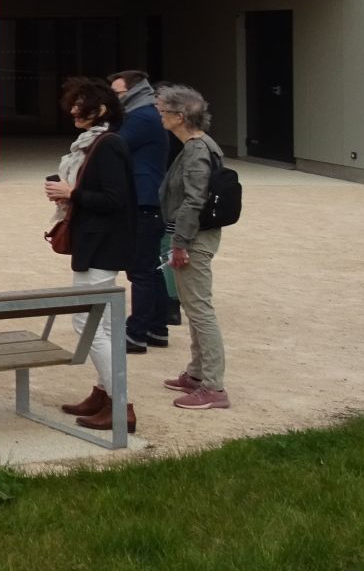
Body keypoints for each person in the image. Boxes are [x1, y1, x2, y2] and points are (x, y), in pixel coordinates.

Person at [43, 77, 139, 433]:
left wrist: (73, 193)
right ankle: (104, 394)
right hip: (99, 244)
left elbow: (115, 199)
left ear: (100, 110)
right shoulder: (96, 142)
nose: (72, 110)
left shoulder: (108, 144)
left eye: (79, 104)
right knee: (105, 325)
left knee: (88, 323)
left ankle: (120, 404)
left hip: (102, 246)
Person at [157, 83, 230, 411]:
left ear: (180, 116)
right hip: (194, 236)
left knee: (200, 310)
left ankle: (213, 387)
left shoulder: (197, 149)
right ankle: (198, 373)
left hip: (193, 238)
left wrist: (180, 243)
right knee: (194, 306)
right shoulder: (198, 145)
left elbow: (194, 199)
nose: (160, 116)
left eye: (164, 111)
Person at [110, 70, 172, 354]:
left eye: (117, 93)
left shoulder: (142, 116)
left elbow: (114, 146)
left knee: (141, 271)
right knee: (149, 268)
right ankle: (157, 327)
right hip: (147, 199)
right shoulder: (145, 114)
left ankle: (136, 333)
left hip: (142, 200)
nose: (114, 98)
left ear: (133, 91)